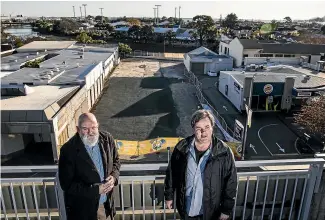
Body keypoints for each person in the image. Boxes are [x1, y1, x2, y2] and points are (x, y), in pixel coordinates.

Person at [164, 110, 237, 220]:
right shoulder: (182, 147)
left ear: (212, 127)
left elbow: (231, 183)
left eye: (207, 127)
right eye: (198, 128)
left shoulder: (224, 152)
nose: (203, 132)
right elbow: (171, 173)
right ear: (193, 129)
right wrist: (169, 196)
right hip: (186, 209)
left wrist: (226, 209)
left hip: (211, 212)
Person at [59, 113, 121, 220]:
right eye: (85, 129)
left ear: (98, 126)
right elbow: (67, 185)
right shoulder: (68, 150)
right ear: (78, 129)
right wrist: (96, 190)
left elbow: (116, 161)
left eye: (93, 127)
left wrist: (114, 177)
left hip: (107, 205)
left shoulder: (107, 139)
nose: (90, 132)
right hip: (84, 211)